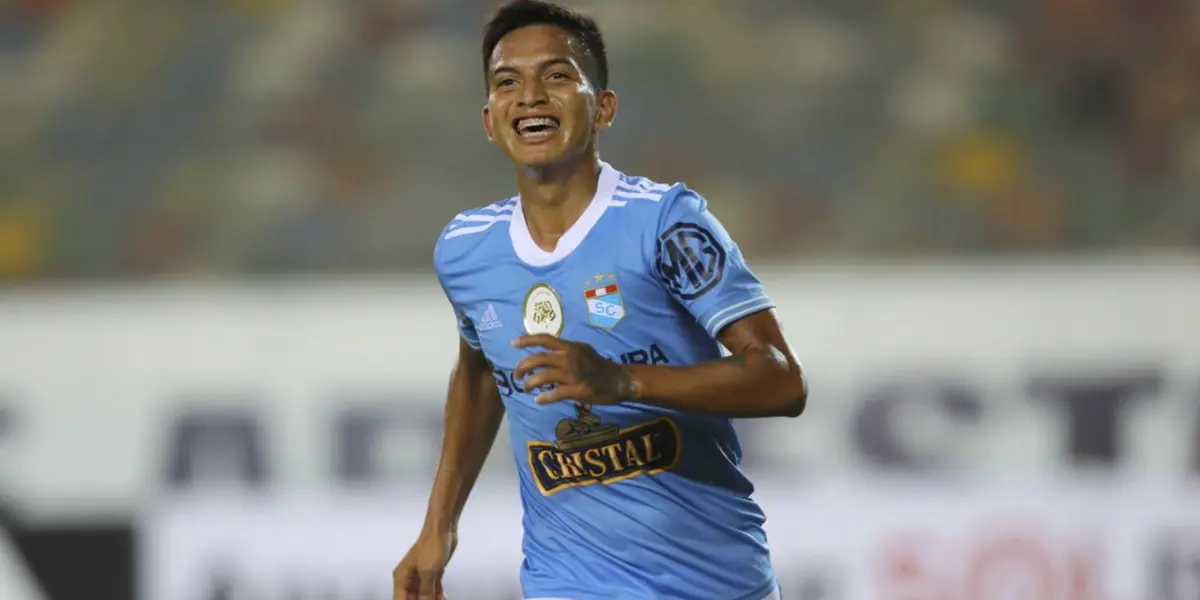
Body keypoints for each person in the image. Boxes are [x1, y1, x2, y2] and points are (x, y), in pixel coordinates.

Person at [393, 2, 807, 599]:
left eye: (557, 76)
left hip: (712, 583)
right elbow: (481, 373)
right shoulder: (465, 249)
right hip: (565, 582)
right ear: (489, 120)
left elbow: (781, 380)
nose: (530, 96)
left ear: (604, 108)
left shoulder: (664, 223)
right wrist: (439, 526)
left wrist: (623, 381)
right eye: (508, 82)